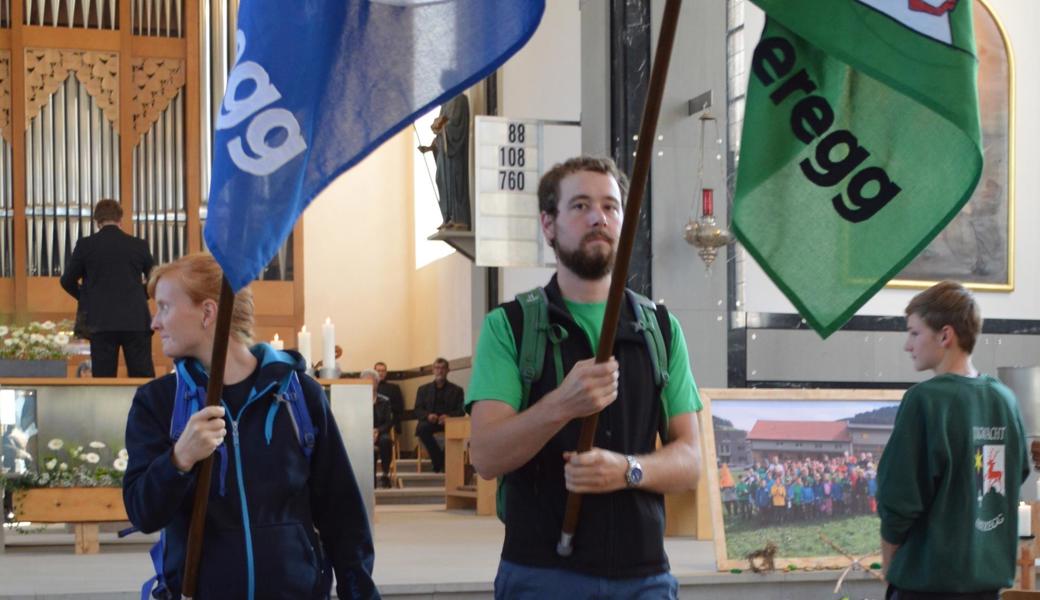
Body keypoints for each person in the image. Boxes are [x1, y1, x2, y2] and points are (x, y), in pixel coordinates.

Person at [466, 156, 702, 599]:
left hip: (644, 577)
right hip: (542, 575)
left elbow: (690, 462)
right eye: (580, 206)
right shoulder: (510, 327)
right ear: (548, 224)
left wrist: (627, 470)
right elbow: (486, 456)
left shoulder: (661, 329)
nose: (599, 217)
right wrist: (561, 404)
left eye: (611, 207)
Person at [122, 253, 377, 599]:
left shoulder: (299, 395)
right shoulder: (159, 403)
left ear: (208, 312)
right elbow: (143, 512)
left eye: (165, 307)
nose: (155, 322)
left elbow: (343, 516)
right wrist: (178, 460)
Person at [877, 281, 1029, 600]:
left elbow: (898, 498)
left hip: (926, 586)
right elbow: (1019, 473)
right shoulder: (1006, 399)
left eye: (914, 333)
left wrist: (890, 564)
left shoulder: (925, 401)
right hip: (987, 587)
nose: (908, 345)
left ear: (945, 335)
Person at [60, 199, 155, 377]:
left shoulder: (86, 245)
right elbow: (156, 279)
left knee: (103, 378)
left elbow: (67, 280)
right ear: (121, 219)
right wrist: (140, 295)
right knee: (142, 376)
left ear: (97, 221)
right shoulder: (138, 245)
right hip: (135, 319)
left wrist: (87, 297)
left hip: (100, 322)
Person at [417, 93, 471, 229]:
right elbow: (441, 130)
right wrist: (430, 147)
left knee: (455, 182)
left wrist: (441, 126)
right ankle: (447, 217)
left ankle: (458, 217)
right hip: (444, 152)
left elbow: (456, 125)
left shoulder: (459, 98)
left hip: (453, 152)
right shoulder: (445, 102)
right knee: (440, 179)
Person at [413, 357, 464, 473]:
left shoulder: (457, 390)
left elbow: (460, 411)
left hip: (449, 422)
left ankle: (439, 463)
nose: (439, 371)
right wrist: (428, 416)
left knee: (456, 430)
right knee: (421, 428)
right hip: (431, 421)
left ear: (448, 370)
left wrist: (449, 417)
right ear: (433, 370)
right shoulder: (423, 389)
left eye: (442, 368)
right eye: (437, 368)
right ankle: (440, 460)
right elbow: (417, 409)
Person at [363, 368, 395, 489]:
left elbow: (389, 421)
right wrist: (368, 431)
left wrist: (377, 431)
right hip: (362, 432)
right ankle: (370, 479)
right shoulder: (357, 400)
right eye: (365, 382)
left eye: (371, 381)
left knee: (385, 441)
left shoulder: (385, 401)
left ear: (377, 383)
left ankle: (385, 474)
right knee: (366, 445)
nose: (369, 384)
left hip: (381, 431)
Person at [374, 361, 405, 435]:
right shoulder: (369, 388)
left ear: (386, 372)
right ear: (374, 372)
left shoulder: (394, 388)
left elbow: (399, 407)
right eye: (378, 371)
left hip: (389, 421)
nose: (381, 373)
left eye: (383, 371)